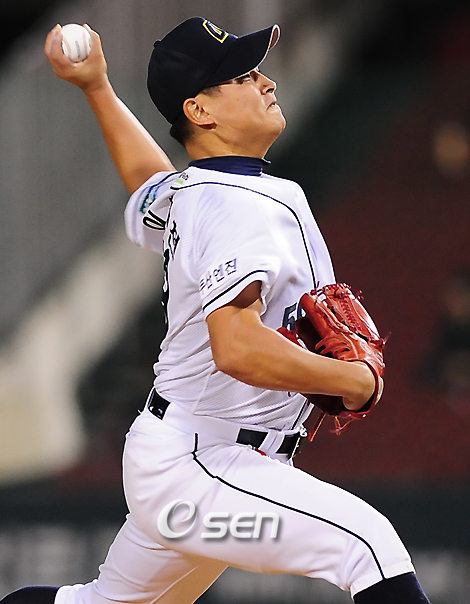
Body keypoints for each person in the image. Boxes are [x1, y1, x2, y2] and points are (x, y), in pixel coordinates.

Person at [2, 16, 431, 604]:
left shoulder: (198, 191)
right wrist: (355, 382)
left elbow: (147, 183)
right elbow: (237, 348)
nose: (266, 82)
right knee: (367, 547)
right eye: (244, 76)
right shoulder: (235, 204)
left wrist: (97, 86)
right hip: (199, 469)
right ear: (199, 111)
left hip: (190, 462)